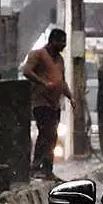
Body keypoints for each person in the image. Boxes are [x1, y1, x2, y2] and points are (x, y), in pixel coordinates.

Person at [21, 28, 74, 181]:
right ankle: (36, 167)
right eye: (61, 42)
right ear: (52, 41)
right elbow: (26, 71)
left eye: (65, 42)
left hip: (54, 103)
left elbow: (61, 81)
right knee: (46, 133)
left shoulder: (60, 60)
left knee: (53, 135)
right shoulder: (37, 54)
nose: (63, 45)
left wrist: (71, 97)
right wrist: (43, 83)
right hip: (40, 101)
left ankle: (48, 169)